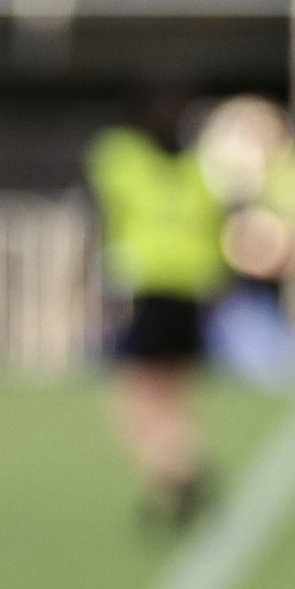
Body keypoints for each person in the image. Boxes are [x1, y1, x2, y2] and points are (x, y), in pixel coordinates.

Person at [86, 92, 229, 524]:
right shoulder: (199, 173)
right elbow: (215, 231)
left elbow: (103, 219)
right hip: (190, 292)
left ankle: (173, 468)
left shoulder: (124, 163)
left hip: (146, 288)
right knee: (174, 393)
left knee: (133, 398)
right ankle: (176, 470)